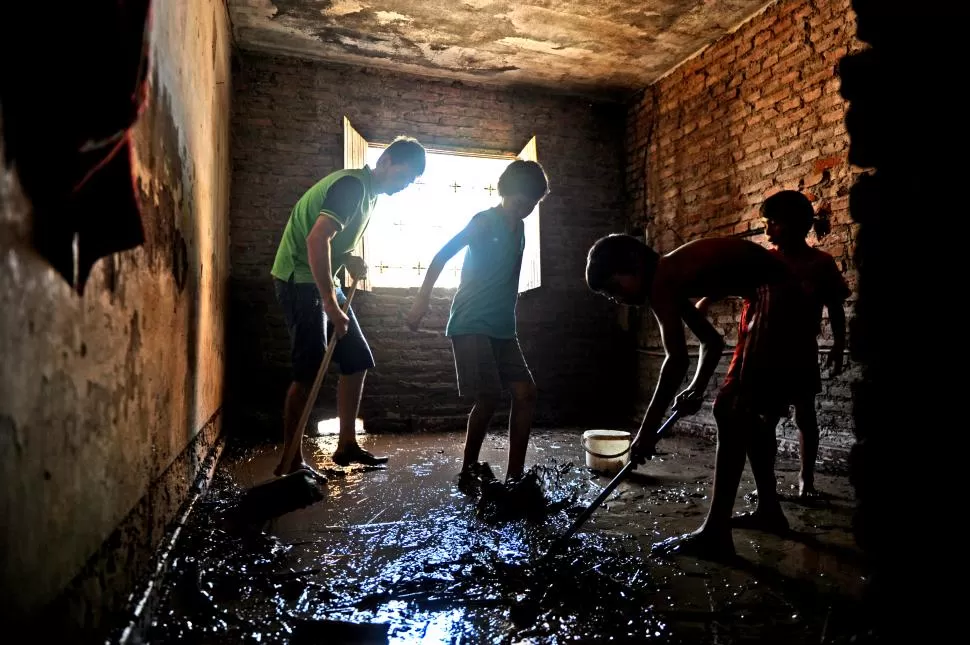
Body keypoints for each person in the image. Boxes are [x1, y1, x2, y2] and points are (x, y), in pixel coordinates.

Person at [585, 232, 816, 559]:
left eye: (613, 287)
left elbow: (676, 359)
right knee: (743, 413)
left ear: (634, 266)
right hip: (765, 297)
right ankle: (768, 511)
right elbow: (711, 341)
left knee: (731, 410)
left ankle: (716, 533)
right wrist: (696, 386)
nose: (616, 298)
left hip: (775, 294)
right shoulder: (670, 277)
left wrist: (648, 430)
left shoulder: (662, 279)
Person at [270, 136, 426, 480]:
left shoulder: (370, 195)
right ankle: (290, 461)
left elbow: (333, 243)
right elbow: (316, 238)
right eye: (404, 175)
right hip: (299, 280)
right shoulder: (352, 187)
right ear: (385, 161)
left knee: (356, 360)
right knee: (308, 371)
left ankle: (346, 446)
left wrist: (349, 258)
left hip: (326, 281)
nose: (404, 185)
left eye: (411, 181)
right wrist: (329, 303)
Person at [406, 160, 549, 487]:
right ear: (505, 193)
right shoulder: (484, 221)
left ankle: (514, 477)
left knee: (526, 393)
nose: (524, 210)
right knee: (489, 397)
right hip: (470, 322)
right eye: (520, 201)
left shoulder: (522, 228)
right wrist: (422, 299)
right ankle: (468, 469)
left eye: (532, 204)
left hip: (502, 328)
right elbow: (442, 255)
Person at [707, 191, 849, 499]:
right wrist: (706, 299)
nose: (768, 231)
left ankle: (805, 480)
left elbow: (835, 306)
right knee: (765, 420)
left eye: (773, 223)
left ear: (796, 225)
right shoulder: (764, 260)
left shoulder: (820, 263)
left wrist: (838, 345)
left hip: (799, 351)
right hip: (762, 355)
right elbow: (733, 283)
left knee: (805, 416)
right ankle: (766, 487)